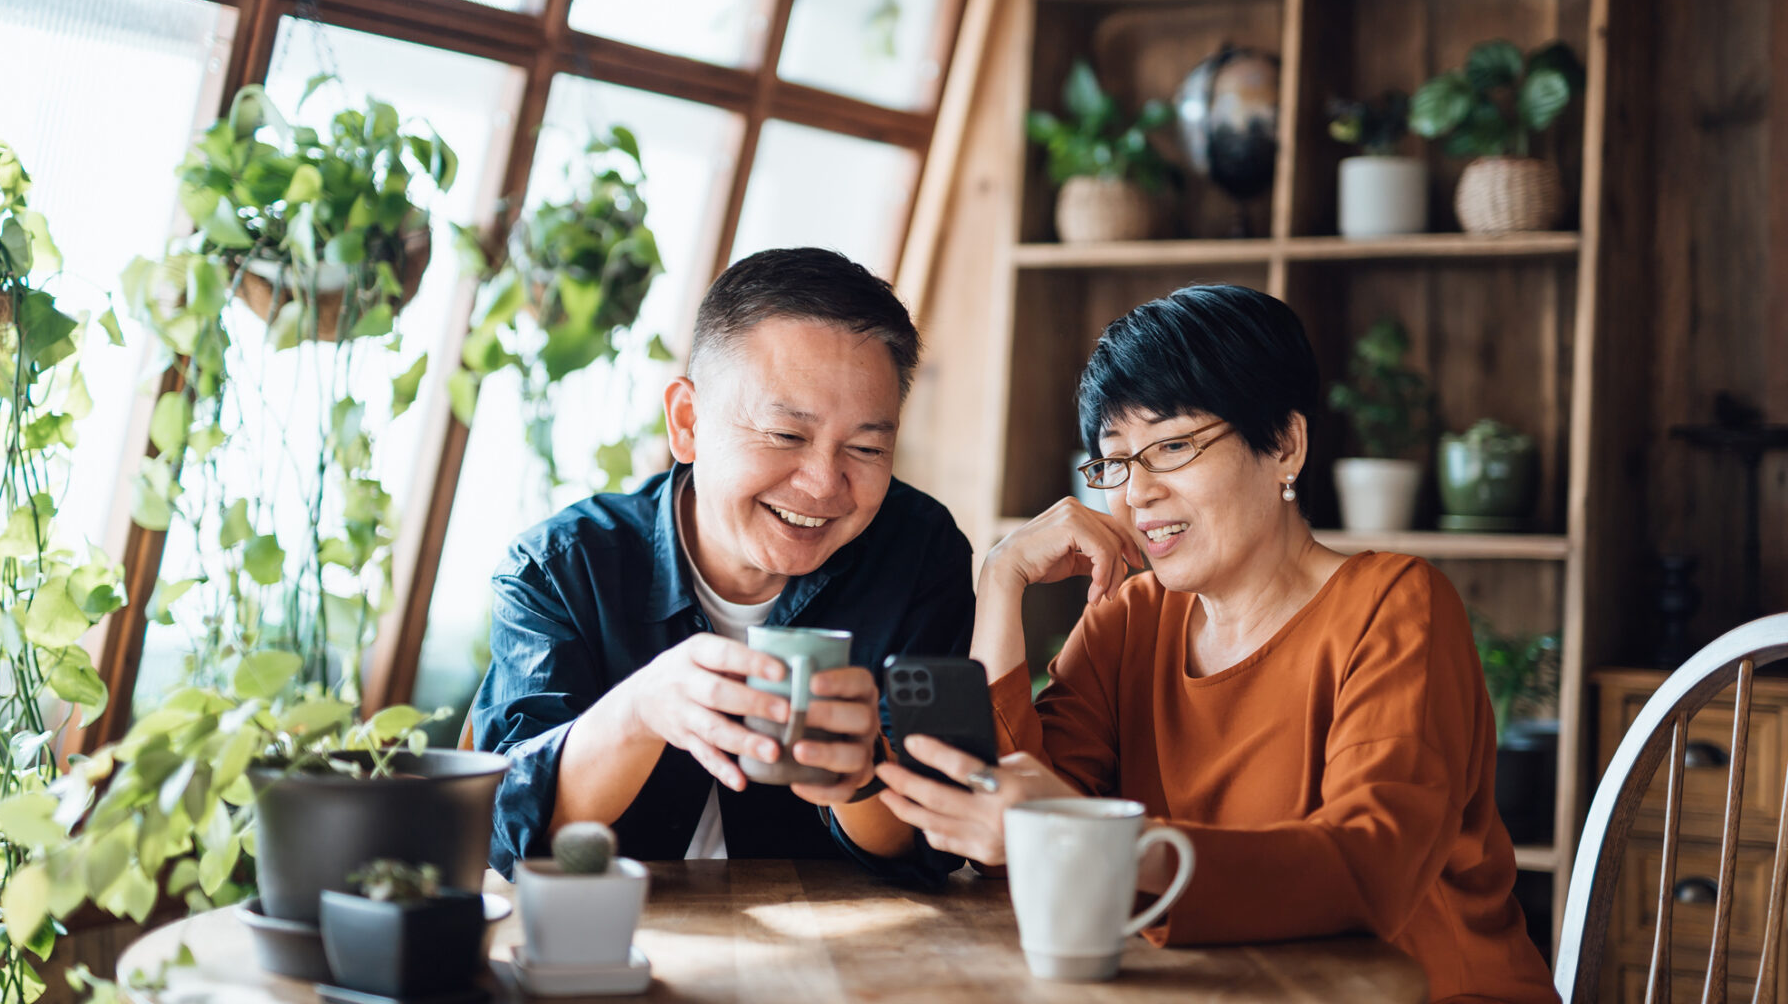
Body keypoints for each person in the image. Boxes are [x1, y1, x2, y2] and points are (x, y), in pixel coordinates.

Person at [874, 284, 1557, 1002]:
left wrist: (1097, 843)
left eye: (1172, 446)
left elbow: (1367, 869)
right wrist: (1002, 579)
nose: (1136, 493)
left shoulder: (1395, 606)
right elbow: (1011, 849)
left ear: (1285, 445)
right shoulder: (1129, 619)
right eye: (1113, 461)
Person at [476, 247, 971, 885]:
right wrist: (642, 709)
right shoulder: (562, 569)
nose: (823, 484)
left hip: (840, 958)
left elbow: (937, 841)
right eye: (787, 435)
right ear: (687, 421)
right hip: (615, 939)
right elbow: (513, 835)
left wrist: (860, 779)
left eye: (868, 446)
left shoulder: (918, 554)